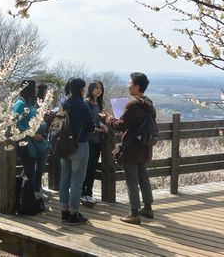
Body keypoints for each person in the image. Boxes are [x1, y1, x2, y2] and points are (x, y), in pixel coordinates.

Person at [100, 72, 156, 224]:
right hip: (145, 146)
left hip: (132, 148)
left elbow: (121, 125)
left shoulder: (133, 105)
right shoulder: (148, 103)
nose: (128, 86)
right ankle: (148, 208)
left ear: (137, 86)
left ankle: (134, 213)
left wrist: (108, 118)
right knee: (143, 177)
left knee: (132, 179)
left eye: (130, 83)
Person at [59, 78, 95, 225]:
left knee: (64, 179)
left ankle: (64, 212)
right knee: (76, 181)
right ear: (82, 90)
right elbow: (91, 126)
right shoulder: (82, 106)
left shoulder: (64, 103)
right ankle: (74, 213)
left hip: (63, 146)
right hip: (79, 146)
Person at [81, 80, 108, 206]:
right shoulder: (86, 103)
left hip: (98, 140)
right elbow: (86, 123)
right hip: (88, 139)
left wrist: (104, 123)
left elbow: (98, 120)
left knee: (92, 167)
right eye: (96, 88)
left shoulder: (99, 104)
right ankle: (82, 193)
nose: (99, 90)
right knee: (86, 167)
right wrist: (98, 128)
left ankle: (89, 193)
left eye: (100, 88)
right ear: (91, 89)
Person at [13, 80, 39, 188]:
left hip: (32, 140)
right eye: (35, 87)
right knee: (29, 169)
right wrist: (31, 133)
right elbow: (15, 124)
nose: (37, 89)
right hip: (24, 141)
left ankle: (26, 193)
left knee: (29, 169)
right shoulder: (20, 104)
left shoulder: (31, 104)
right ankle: (27, 196)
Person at [32, 83, 50, 200]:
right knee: (38, 166)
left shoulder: (41, 104)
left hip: (43, 136)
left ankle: (38, 187)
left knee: (39, 165)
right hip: (38, 137)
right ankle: (36, 189)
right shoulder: (36, 105)